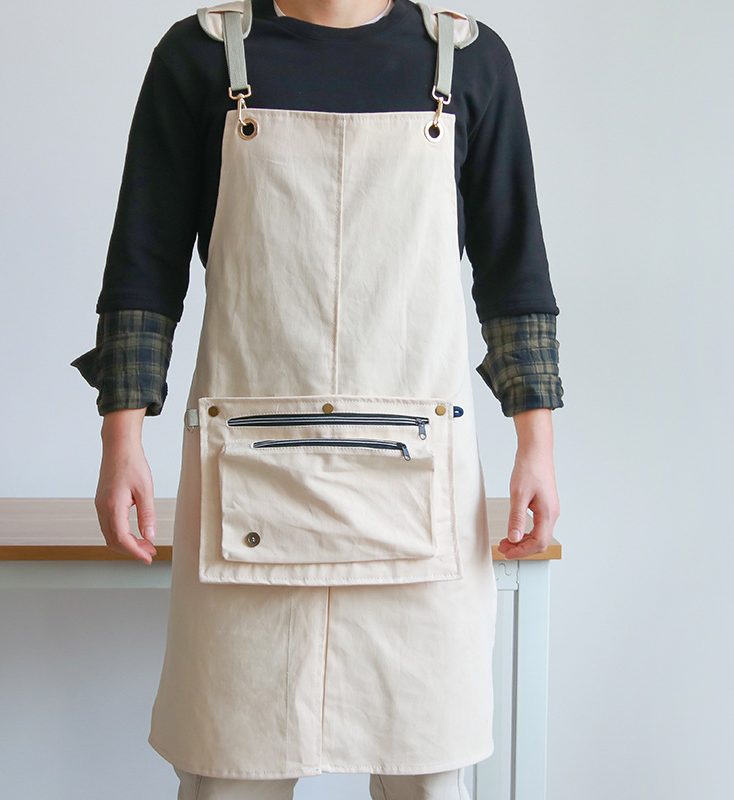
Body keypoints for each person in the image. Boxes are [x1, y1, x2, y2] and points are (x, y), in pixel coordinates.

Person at [71, 1, 563, 798]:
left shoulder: (468, 60)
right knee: (231, 773)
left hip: (418, 496)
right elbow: (144, 262)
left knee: (428, 773)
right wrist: (120, 439)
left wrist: (536, 445)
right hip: (250, 491)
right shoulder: (202, 56)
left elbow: (514, 271)